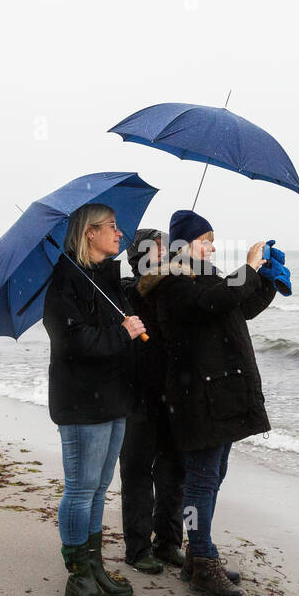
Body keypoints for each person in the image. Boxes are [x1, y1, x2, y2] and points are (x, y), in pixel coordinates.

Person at [146, 209, 276, 596]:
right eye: (206, 239)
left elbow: (240, 306)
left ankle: (195, 557)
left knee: (213, 474)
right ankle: (202, 559)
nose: (213, 245)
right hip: (198, 397)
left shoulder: (205, 279)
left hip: (222, 393)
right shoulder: (173, 283)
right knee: (201, 479)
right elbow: (216, 300)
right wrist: (249, 267)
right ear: (187, 245)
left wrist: (266, 280)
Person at [41, 203, 147, 596]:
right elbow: (75, 344)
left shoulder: (106, 279)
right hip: (81, 402)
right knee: (81, 489)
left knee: (100, 487)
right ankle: (77, 575)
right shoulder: (64, 282)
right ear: (89, 232)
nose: (120, 235)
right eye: (113, 228)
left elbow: (118, 328)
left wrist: (129, 323)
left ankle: (95, 564)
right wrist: (123, 332)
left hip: (114, 397)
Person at [118, 229, 185, 574]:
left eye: (165, 248)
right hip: (135, 398)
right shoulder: (126, 290)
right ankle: (138, 548)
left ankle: (170, 543)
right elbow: (144, 286)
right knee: (137, 473)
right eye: (157, 250)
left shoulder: (173, 287)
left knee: (174, 472)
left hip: (172, 396)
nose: (165, 254)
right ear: (139, 258)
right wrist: (172, 267)